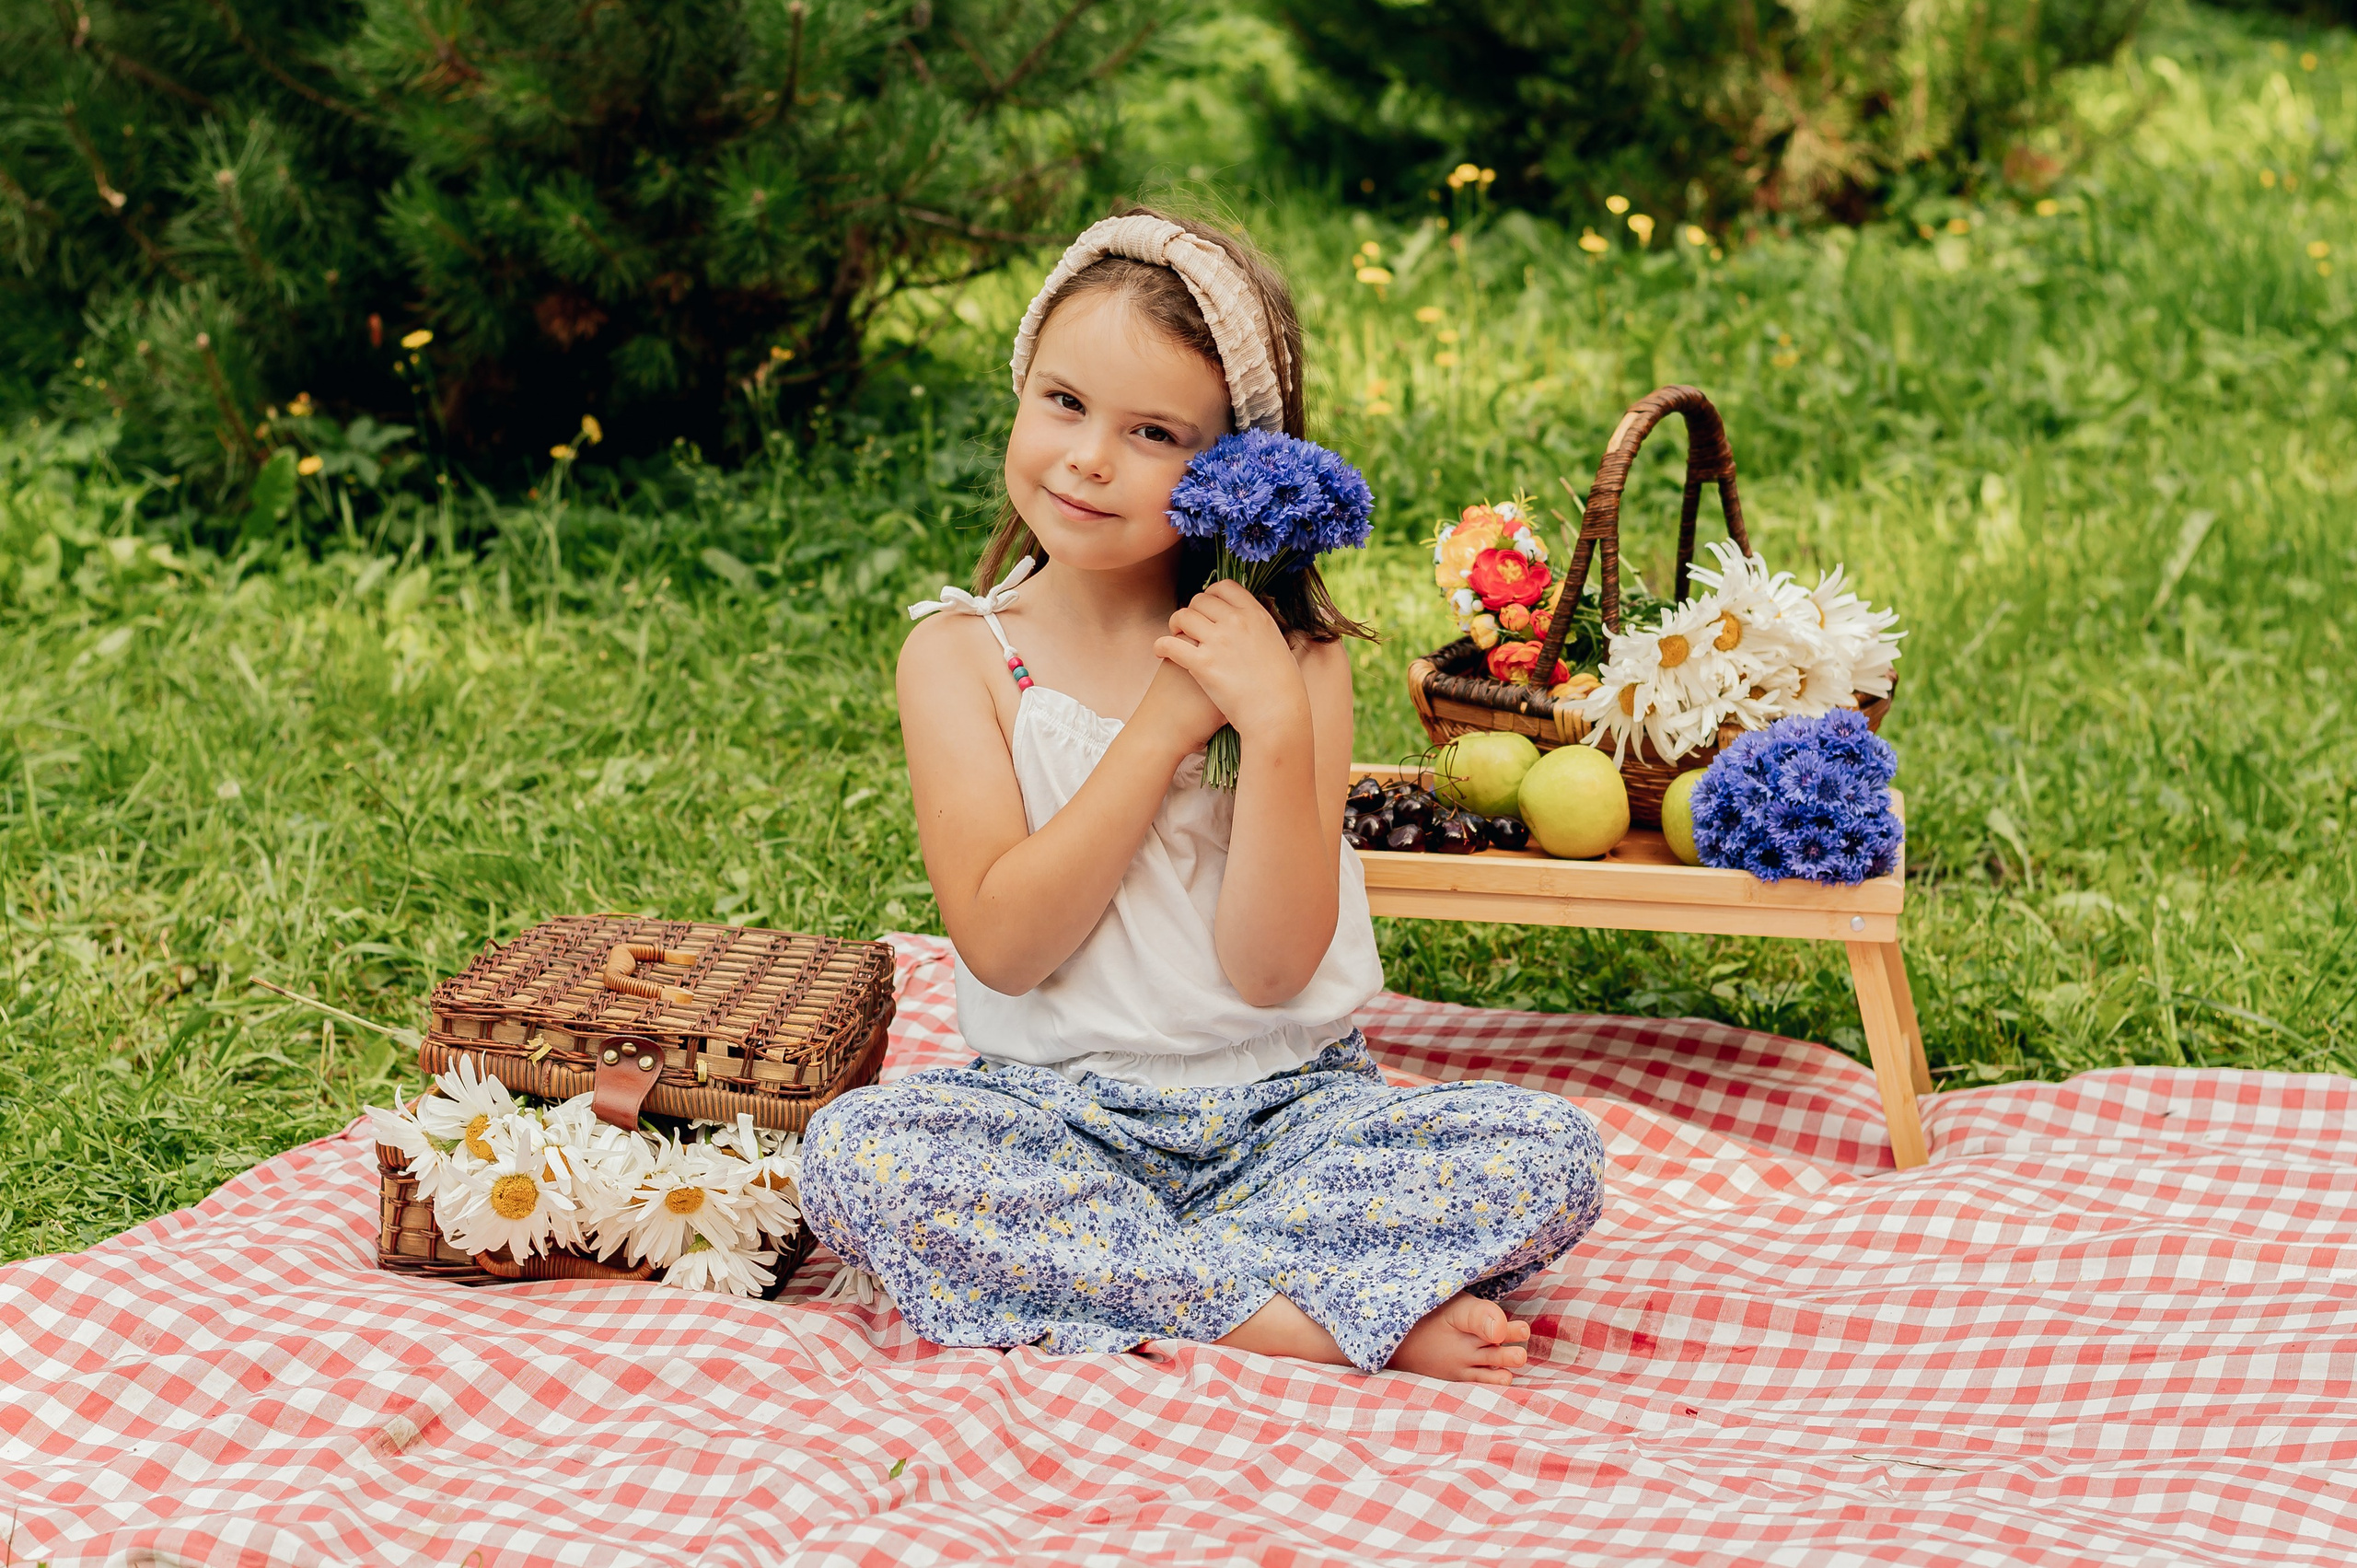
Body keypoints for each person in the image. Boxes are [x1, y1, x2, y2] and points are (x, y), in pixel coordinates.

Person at [799, 207, 1604, 1385]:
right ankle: (1307, 1316)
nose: (1085, 456)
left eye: (1153, 432)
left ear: (1234, 468)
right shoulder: (962, 655)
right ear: (1022, 391)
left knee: (1548, 1153)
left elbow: (1274, 969)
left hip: (1293, 1117)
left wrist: (1270, 725)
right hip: (1056, 1119)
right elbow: (1005, 946)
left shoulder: (1302, 664)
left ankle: (1137, 1283)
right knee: (864, 1155)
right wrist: (1166, 726)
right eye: (1063, 401)